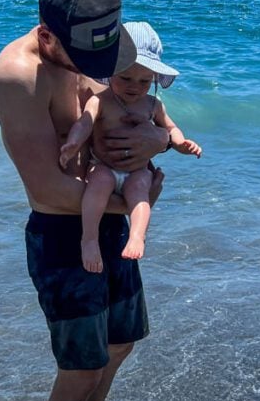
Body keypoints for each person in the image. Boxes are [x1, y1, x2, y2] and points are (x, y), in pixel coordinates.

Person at [0, 0, 170, 401]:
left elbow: (133, 114)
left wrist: (159, 139)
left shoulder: (92, 43)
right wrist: (136, 202)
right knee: (80, 366)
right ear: (48, 37)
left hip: (108, 217)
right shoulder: (18, 76)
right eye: (85, 64)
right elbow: (46, 186)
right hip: (63, 234)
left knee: (120, 343)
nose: (98, 74)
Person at [59, 21, 201, 272]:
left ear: (154, 79)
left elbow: (170, 128)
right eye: (126, 78)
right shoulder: (100, 100)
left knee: (140, 192)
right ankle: (89, 239)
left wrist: (180, 143)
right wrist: (73, 143)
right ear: (111, 71)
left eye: (144, 81)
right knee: (98, 184)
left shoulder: (153, 105)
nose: (134, 86)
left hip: (137, 170)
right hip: (104, 165)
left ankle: (137, 235)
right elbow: (85, 123)